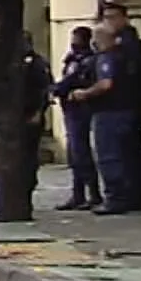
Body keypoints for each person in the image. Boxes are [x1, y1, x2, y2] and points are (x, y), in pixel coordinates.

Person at [69, 25, 136, 215]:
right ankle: (125, 196)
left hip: (109, 112)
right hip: (124, 111)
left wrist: (85, 93)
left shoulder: (107, 58)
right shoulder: (124, 57)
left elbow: (106, 84)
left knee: (109, 156)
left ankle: (115, 198)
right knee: (122, 156)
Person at [98, 3, 141, 209]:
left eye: (113, 17)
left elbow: (109, 83)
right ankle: (134, 198)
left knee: (115, 156)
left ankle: (119, 198)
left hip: (117, 109)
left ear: (124, 18)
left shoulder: (122, 50)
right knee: (131, 155)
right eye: (106, 17)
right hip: (131, 108)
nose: (109, 22)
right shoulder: (132, 48)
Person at [52, 26, 101, 210]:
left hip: (80, 111)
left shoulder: (86, 61)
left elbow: (71, 81)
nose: (73, 42)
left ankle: (93, 194)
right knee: (75, 154)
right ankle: (78, 194)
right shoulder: (73, 59)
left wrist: (56, 89)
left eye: (76, 39)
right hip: (71, 110)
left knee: (81, 152)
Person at [21, 33, 55, 197]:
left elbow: (45, 90)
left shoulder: (37, 64)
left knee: (28, 155)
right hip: (14, 116)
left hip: (30, 114)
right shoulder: (12, 63)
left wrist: (38, 112)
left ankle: (26, 188)